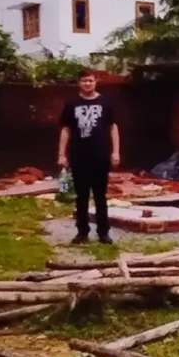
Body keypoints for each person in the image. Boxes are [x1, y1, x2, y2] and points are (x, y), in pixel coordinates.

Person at [57, 69, 120, 244]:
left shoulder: (106, 102)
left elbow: (113, 128)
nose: (87, 83)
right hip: (78, 155)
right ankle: (82, 232)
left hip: (100, 155)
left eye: (90, 80)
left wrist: (115, 152)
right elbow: (66, 129)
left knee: (100, 196)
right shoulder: (71, 104)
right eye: (84, 81)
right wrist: (62, 154)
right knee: (81, 196)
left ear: (96, 82)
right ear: (79, 83)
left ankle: (103, 233)